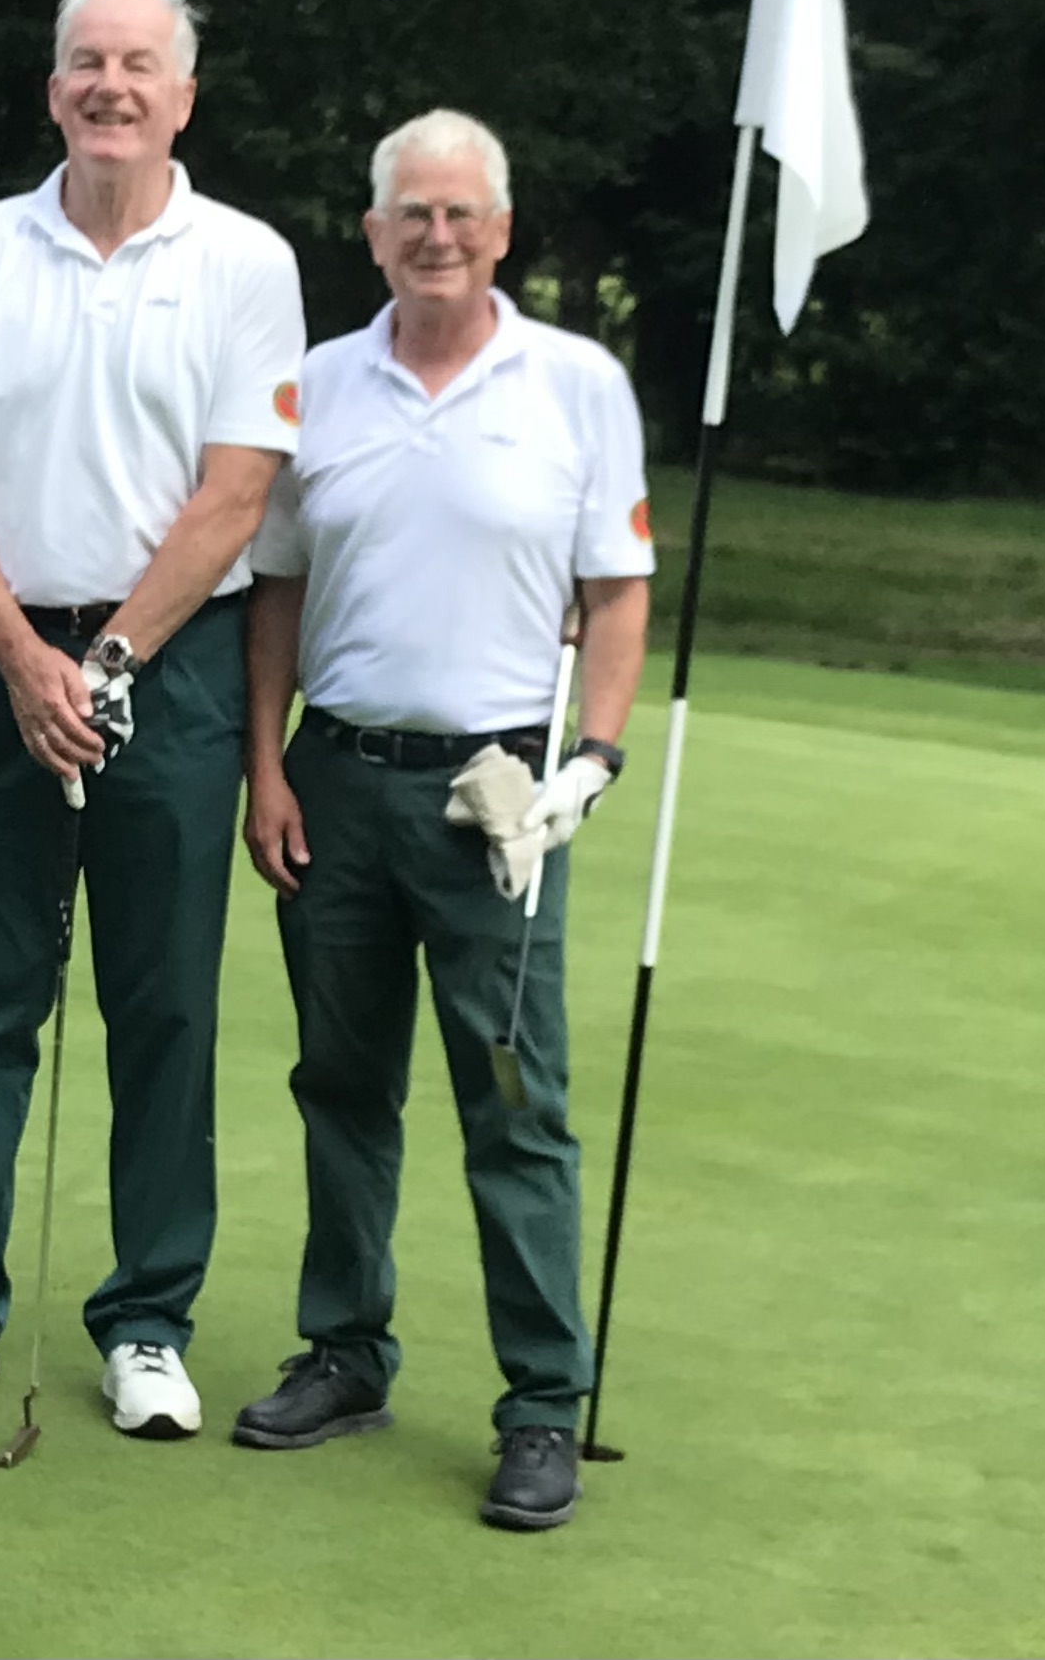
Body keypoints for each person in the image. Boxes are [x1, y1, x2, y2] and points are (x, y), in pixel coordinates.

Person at [0, 0, 307, 1440]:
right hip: (0, 662)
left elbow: (236, 493)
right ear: (53, 93)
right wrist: (22, 658)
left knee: (161, 1004)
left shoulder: (245, 263)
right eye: (86, 64)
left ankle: (149, 1322)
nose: (111, 85)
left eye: (138, 65)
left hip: (169, 674)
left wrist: (101, 666)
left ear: (183, 97)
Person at [232, 107, 653, 1530]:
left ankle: (540, 1403)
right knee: (342, 1086)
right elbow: (276, 588)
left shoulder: (576, 383)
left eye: (461, 212)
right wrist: (266, 767)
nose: (437, 234)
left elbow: (615, 594)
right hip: (338, 782)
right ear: (372, 234)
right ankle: (345, 1352)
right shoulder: (319, 384)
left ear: (501, 232)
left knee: (514, 1104)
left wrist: (592, 758)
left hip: (498, 801)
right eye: (411, 212)